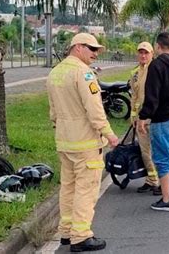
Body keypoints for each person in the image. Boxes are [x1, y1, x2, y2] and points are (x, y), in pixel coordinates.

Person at [47, 33, 119, 252]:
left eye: (96, 50)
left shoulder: (55, 72)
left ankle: (67, 233)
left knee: (68, 188)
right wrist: (109, 134)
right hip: (85, 143)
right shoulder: (84, 74)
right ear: (77, 47)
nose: (95, 54)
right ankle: (81, 236)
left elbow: (53, 111)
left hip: (65, 140)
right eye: (91, 49)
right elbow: (95, 109)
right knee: (86, 190)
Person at [137, 32, 169, 212]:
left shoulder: (156, 66)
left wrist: (143, 116)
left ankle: (166, 200)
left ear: (157, 46)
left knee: (162, 158)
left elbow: (152, 96)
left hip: (163, 118)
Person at [129, 42, 160, 195]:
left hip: (154, 117)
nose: (143, 55)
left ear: (152, 54)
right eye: (140, 52)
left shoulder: (155, 70)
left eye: (146, 53)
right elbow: (134, 96)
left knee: (158, 151)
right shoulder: (135, 73)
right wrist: (133, 115)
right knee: (145, 151)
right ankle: (152, 180)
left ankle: (160, 182)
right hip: (141, 118)